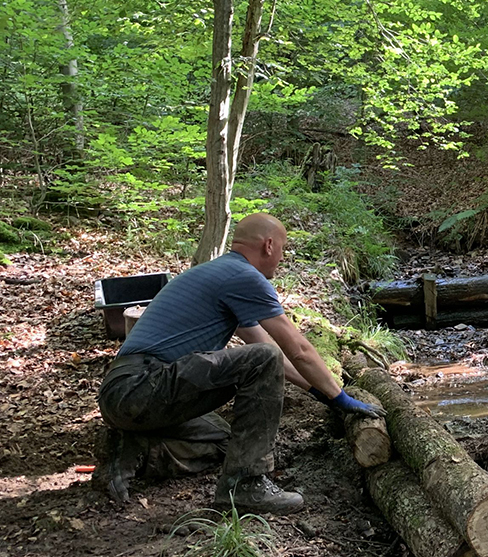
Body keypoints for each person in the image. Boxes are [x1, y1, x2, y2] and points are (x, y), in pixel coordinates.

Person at [94, 213, 383, 514]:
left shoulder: (222, 274)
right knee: (262, 361)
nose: (281, 259)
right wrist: (340, 397)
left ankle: (134, 451)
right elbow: (295, 349)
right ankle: (246, 484)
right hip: (138, 386)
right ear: (269, 246)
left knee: (226, 441)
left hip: (132, 395)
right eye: (282, 250)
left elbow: (271, 353)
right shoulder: (243, 277)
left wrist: (321, 392)